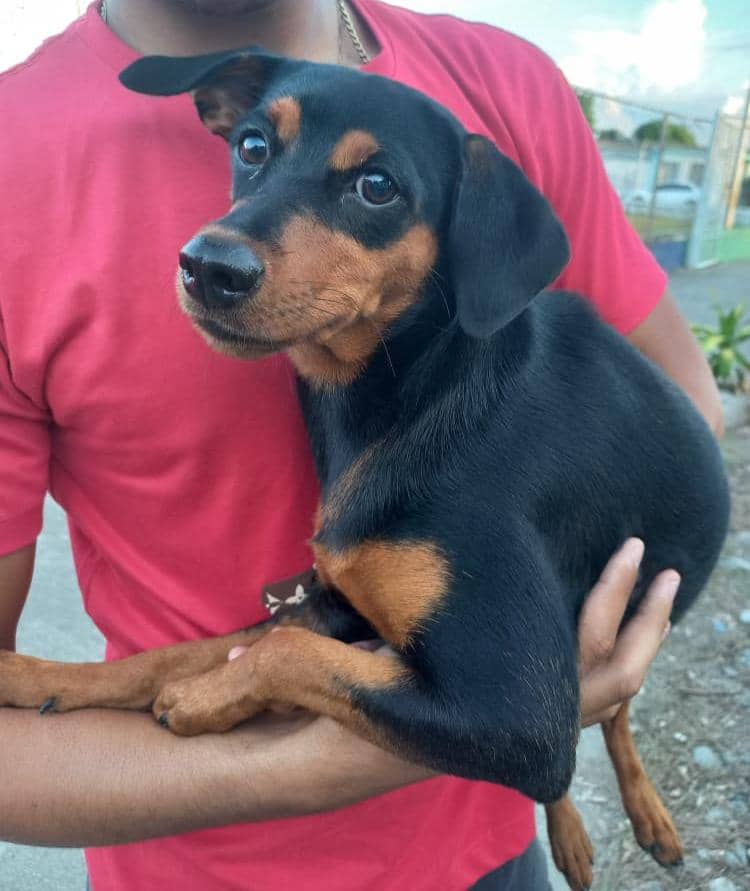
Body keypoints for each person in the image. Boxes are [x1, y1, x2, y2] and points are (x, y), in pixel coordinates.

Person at [0, 1, 722, 889]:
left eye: (376, 188)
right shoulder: (15, 157)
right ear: (226, 118)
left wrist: (556, 661)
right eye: (257, 150)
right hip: (190, 868)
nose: (222, 252)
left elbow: (677, 419)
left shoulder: (507, 89)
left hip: (486, 856)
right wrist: (279, 714)